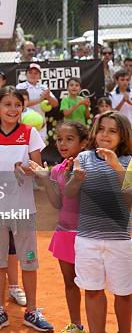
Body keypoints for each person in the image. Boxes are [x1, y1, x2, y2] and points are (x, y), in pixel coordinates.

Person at [0, 86, 53, 332]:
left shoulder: (30, 133)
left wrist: (27, 169)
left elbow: (39, 170)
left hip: (24, 210)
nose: (13, 109)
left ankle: (32, 311)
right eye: (7, 105)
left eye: (17, 105)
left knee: (29, 261)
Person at [65, 111, 131, 333]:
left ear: (123, 135)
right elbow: (71, 194)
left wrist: (117, 167)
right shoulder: (83, 158)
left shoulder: (129, 161)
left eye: (113, 131)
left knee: (124, 293)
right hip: (87, 239)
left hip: (122, 240)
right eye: (101, 129)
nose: (105, 135)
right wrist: (76, 178)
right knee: (92, 291)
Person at [29, 121, 88, 333]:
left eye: (69, 139)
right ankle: (76, 325)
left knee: (92, 287)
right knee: (70, 283)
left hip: (88, 235)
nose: (63, 144)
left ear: (84, 143)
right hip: (64, 233)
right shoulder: (57, 169)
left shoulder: (89, 167)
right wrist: (46, 180)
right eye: (59, 139)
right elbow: (57, 204)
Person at [16, 63, 58, 140]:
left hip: (40, 124)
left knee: (39, 150)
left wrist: (48, 97)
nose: (33, 75)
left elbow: (55, 104)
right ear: (26, 74)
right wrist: (41, 99)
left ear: (39, 75)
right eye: (30, 72)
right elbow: (19, 104)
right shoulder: (20, 86)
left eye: (36, 73)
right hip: (23, 123)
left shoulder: (44, 87)